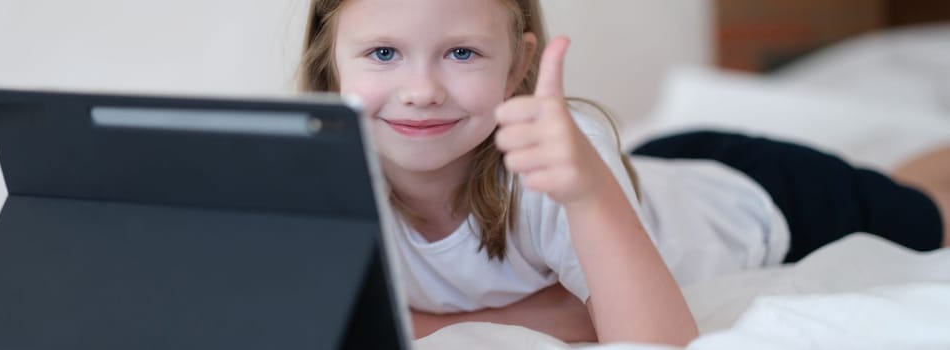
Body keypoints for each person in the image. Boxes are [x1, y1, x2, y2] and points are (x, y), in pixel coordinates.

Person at [295, 0, 950, 344]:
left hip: (759, 197)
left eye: (460, 52)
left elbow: (651, 341)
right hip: (656, 170)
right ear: (329, 65)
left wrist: (582, 191)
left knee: (928, 205)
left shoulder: (550, 166)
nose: (420, 90)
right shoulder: (321, 185)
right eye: (383, 52)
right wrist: (557, 311)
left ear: (519, 67)